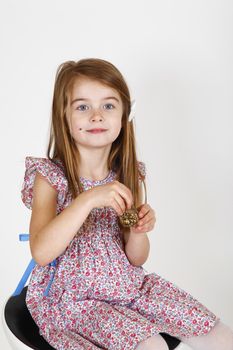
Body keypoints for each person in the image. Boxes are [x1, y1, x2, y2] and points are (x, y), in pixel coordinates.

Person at [21, 58, 233, 350]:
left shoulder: (129, 174)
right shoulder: (51, 177)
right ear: (63, 116)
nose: (97, 116)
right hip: (75, 300)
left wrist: (138, 230)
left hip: (131, 288)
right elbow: (41, 251)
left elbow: (136, 258)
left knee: (221, 335)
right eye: (83, 106)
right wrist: (87, 199)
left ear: (124, 116)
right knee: (152, 346)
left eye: (108, 106)